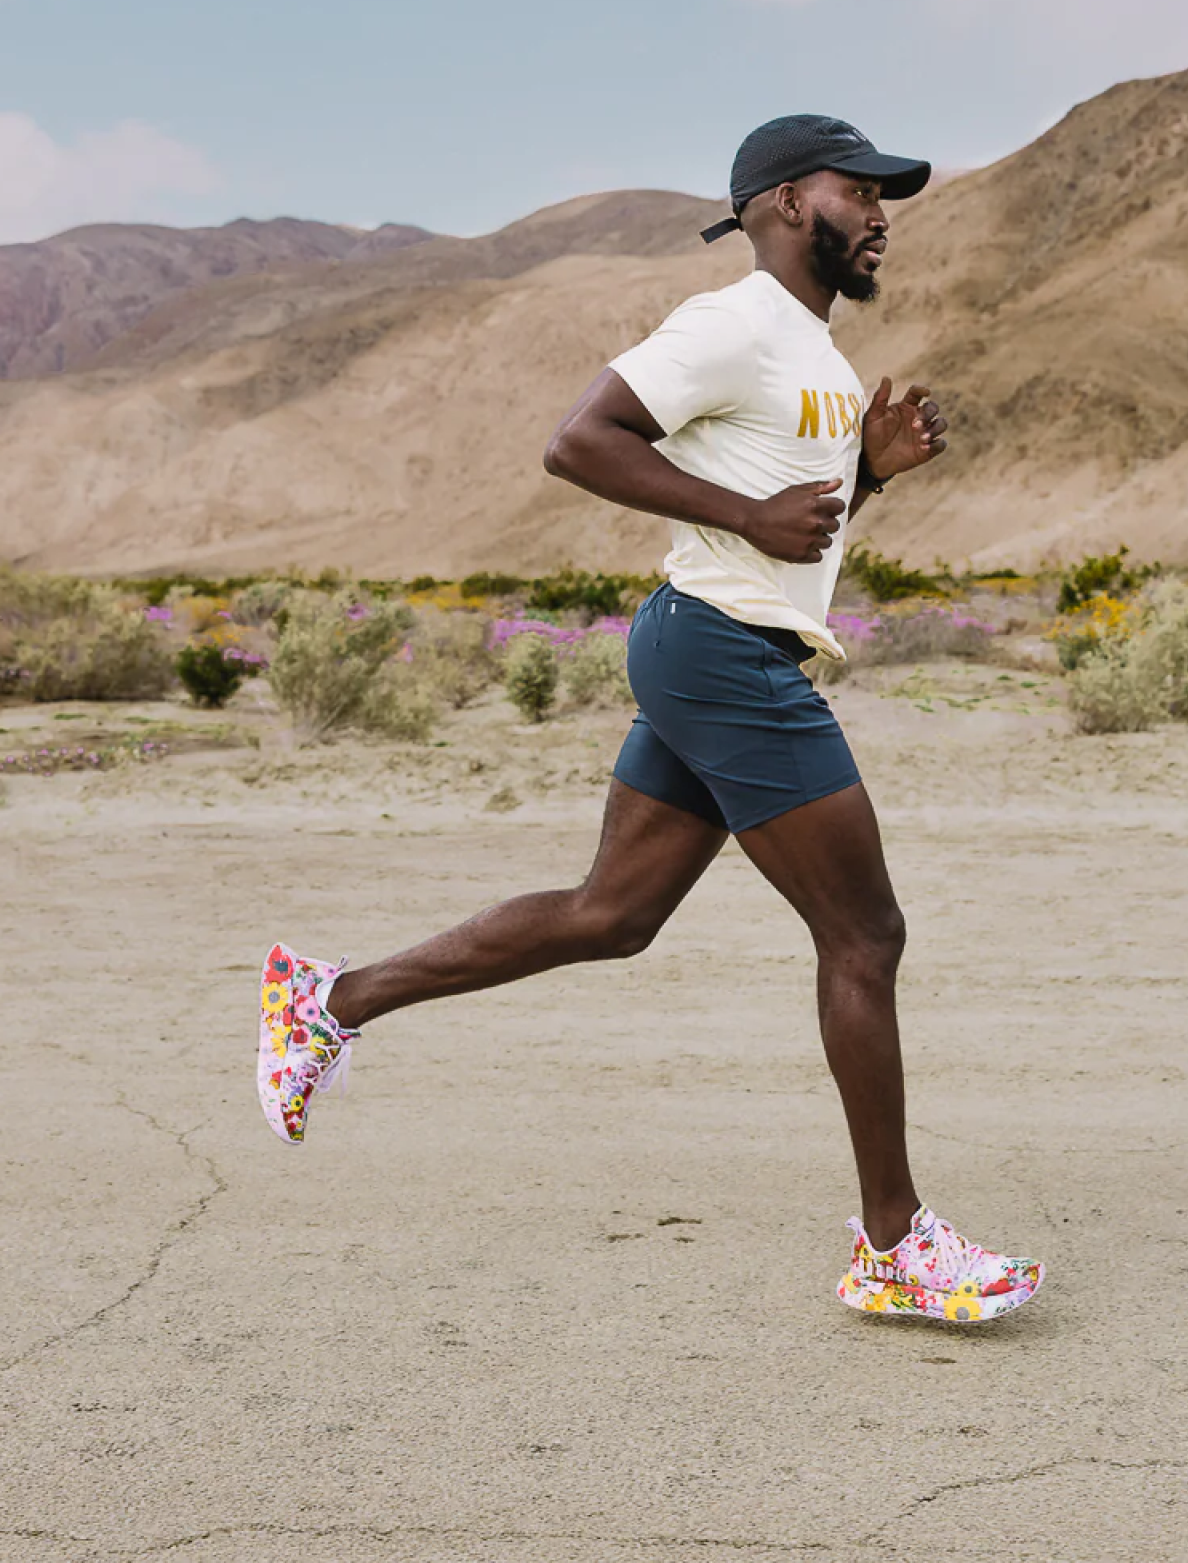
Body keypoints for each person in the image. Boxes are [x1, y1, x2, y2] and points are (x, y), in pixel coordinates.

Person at [256, 115, 1045, 1325]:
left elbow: (791, 528)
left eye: (890, 196)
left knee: (610, 914)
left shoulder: (816, 360)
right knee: (864, 935)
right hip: (722, 656)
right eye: (861, 190)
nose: (883, 212)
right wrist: (741, 512)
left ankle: (329, 999)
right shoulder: (729, 322)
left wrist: (867, 476)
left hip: (715, 644)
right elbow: (580, 442)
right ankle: (893, 1244)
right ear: (785, 202)